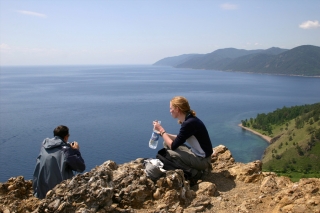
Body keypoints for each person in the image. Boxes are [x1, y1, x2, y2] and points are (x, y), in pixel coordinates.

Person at [153, 96, 213, 183]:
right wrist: (163, 134)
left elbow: (173, 146)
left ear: (177, 109)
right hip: (200, 156)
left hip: (202, 161)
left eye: (171, 108)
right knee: (166, 143)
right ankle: (194, 169)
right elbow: (179, 138)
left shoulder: (188, 123)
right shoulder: (190, 120)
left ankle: (195, 173)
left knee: (169, 153)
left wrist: (162, 130)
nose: (170, 111)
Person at [33, 125, 86, 199]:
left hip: (40, 192)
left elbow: (57, 148)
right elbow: (81, 167)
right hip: (57, 193)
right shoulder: (66, 151)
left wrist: (67, 146)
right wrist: (75, 151)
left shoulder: (44, 145)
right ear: (66, 137)